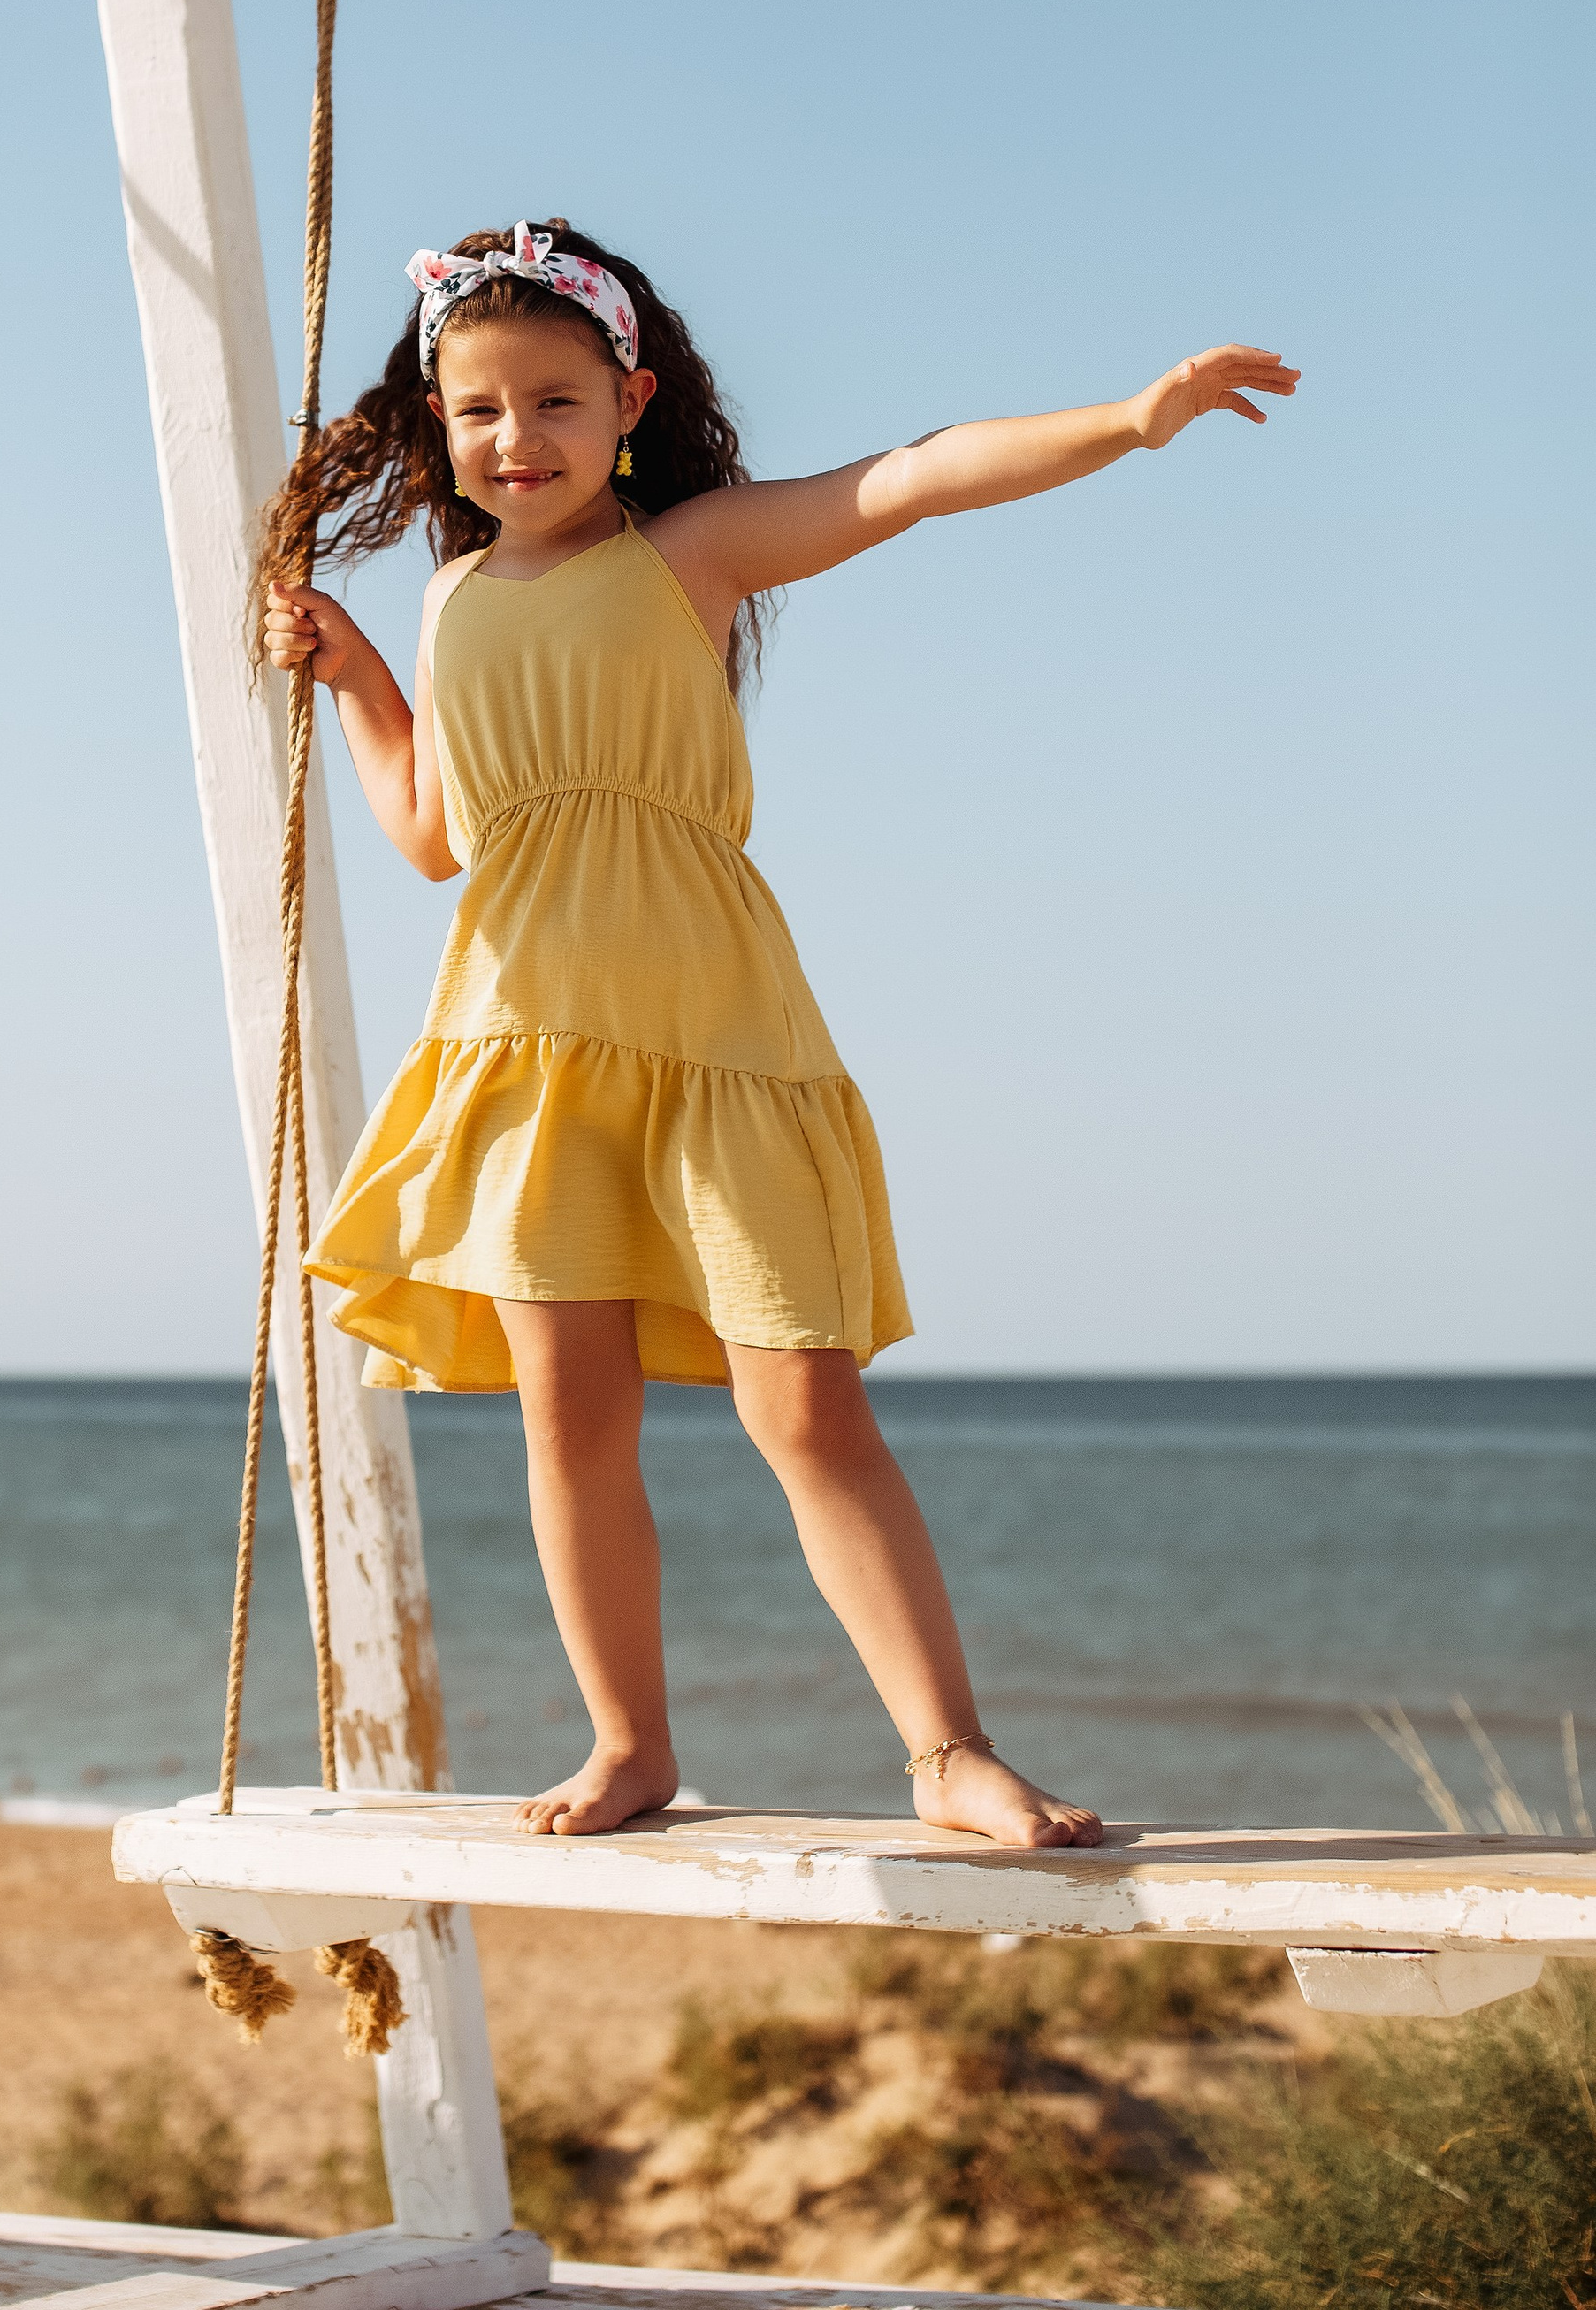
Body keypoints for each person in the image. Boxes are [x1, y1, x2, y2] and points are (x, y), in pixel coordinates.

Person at [259, 219, 1297, 1844]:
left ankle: (949, 1753)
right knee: (569, 1410)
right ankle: (628, 1744)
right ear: (440, 426)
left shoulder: (691, 555)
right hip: (527, 1035)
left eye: (552, 400)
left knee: (802, 1402)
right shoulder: (457, 592)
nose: (512, 438)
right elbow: (437, 831)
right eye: (476, 410)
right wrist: (358, 673)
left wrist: (1127, 417)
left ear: (629, 402)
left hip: (714, 1024)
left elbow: (913, 475)